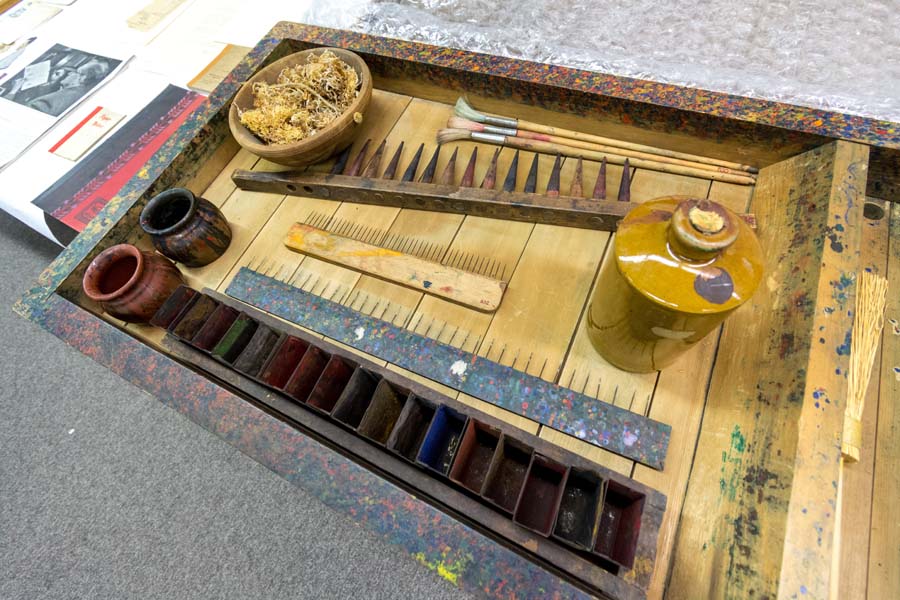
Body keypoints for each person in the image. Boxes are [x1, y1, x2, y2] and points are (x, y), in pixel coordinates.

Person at [27, 59, 110, 117]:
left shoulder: (71, 95)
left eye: (75, 72)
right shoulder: (70, 91)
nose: (69, 73)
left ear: (83, 78)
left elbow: (37, 108)